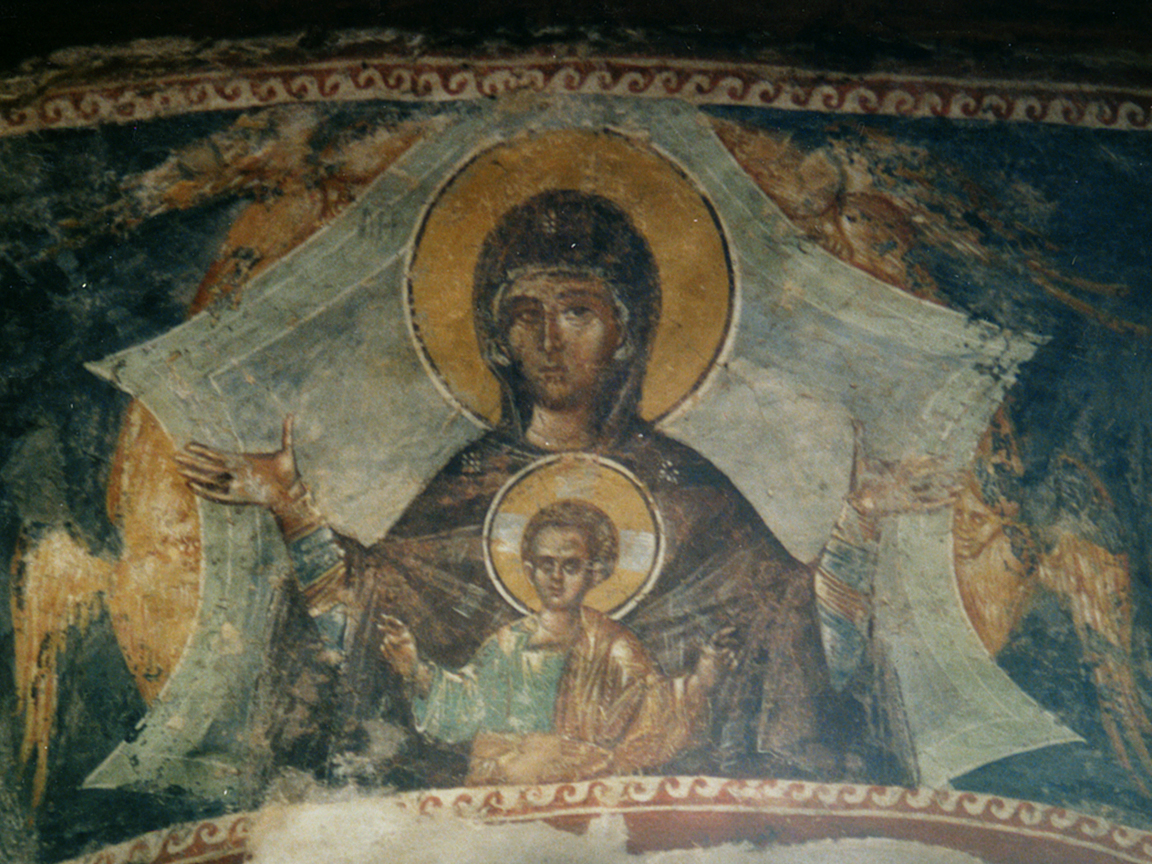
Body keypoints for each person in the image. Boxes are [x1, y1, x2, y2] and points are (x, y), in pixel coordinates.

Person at [176, 190, 857, 785]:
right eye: (526, 314)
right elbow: (378, 609)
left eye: (577, 312)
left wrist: (864, 522)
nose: (549, 339)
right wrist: (291, 507)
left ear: (625, 331)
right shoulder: (467, 484)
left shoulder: (693, 491)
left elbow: (786, 614)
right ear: (498, 338)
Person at [377, 498, 733, 785]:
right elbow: (464, 706)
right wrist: (415, 669)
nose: (557, 578)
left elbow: (651, 712)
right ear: (529, 571)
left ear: (595, 573)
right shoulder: (504, 646)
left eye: (571, 566)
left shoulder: (615, 647)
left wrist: (701, 682)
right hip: (498, 795)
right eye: (546, 564)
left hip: (583, 798)